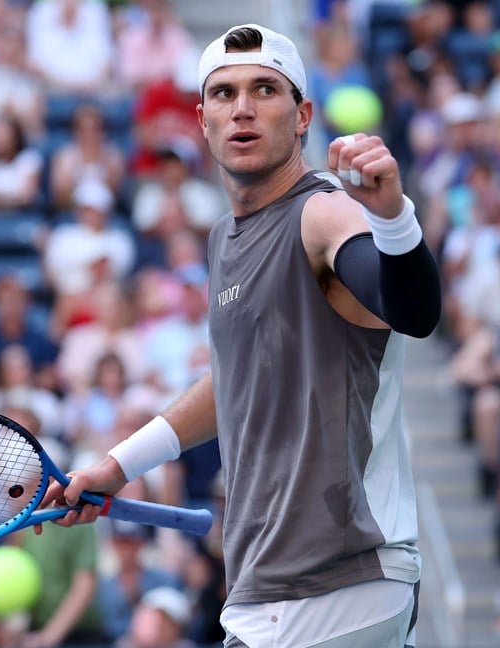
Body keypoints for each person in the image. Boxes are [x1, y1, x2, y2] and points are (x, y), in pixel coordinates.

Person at [36, 23, 441, 646]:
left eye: (265, 90)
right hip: (267, 586)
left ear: (303, 115)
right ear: (202, 118)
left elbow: (414, 311)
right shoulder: (223, 239)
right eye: (223, 94)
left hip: (340, 578)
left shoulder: (324, 210)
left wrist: (394, 219)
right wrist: (120, 465)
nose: (243, 108)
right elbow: (233, 383)